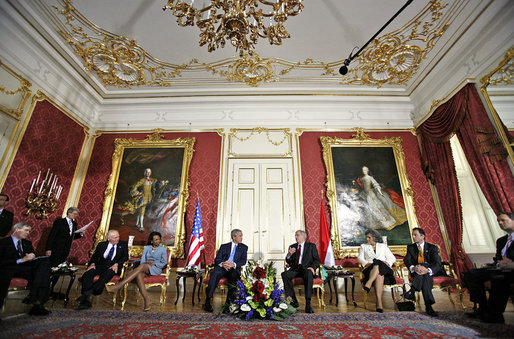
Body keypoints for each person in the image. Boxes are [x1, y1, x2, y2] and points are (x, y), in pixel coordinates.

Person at [464, 212, 514, 324]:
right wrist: (498, 263)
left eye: (503, 220)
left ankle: (494, 313)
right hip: (500, 269)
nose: (500, 223)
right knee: (471, 274)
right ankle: (483, 307)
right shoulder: (501, 241)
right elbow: (497, 258)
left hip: (512, 271)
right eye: (498, 221)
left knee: (498, 279)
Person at [105, 231, 167, 311]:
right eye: (155, 240)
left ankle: (118, 286)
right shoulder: (146, 248)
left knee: (141, 267)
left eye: (158, 239)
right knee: (139, 275)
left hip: (155, 268)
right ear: (151, 241)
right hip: (144, 266)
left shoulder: (163, 249)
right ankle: (147, 301)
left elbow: (164, 262)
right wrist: (147, 262)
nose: (157, 241)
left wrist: (154, 263)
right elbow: (142, 261)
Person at [0, 222, 52, 316]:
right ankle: (36, 301)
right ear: (17, 229)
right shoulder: (4, 242)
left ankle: (36, 302)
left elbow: (32, 255)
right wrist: (20, 260)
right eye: (26, 230)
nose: (28, 233)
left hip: (25, 269)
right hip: (9, 268)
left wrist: (33, 256)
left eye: (29, 231)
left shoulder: (27, 243)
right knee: (40, 273)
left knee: (44, 263)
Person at [77, 230, 128, 310]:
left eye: (118, 236)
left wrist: (117, 264)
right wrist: (92, 264)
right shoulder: (101, 245)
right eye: (115, 237)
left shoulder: (123, 245)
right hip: (99, 266)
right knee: (87, 274)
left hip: (112, 268)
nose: (117, 239)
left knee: (107, 274)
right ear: (108, 239)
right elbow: (94, 257)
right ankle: (86, 298)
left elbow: (125, 257)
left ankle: (86, 296)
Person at [203, 229, 248, 312]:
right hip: (222, 268)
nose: (242, 238)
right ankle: (208, 301)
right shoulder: (224, 246)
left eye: (242, 236)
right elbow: (217, 259)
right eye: (240, 236)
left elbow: (243, 261)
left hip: (233, 269)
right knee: (215, 273)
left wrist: (233, 264)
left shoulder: (244, 247)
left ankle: (228, 304)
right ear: (234, 237)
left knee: (234, 277)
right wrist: (223, 264)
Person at [402, 227, 442, 317]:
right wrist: (413, 268)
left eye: (415, 235)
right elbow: (407, 260)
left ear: (422, 236)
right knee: (423, 275)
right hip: (417, 271)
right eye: (413, 235)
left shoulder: (432, 248)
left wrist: (427, 270)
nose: (413, 237)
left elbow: (437, 262)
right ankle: (429, 307)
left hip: (429, 271)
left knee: (424, 272)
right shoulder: (411, 247)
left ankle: (412, 291)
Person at [353, 166, 407, 230]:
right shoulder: (359, 178)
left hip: (373, 191)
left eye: (365, 170)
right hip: (365, 193)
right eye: (363, 170)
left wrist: (378, 190)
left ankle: (386, 220)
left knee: (380, 200)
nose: (364, 171)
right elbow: (359, 186)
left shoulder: (370, 177)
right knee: (367, 203)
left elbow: (375, 184)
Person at [281, 230, 320, 313]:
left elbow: (317, 260)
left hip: (306, 269)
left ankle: (308, 304)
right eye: (295, 235)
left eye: (297, 235)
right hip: (295, 269)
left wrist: (313, 268)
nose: (296, 237)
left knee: (309, 273)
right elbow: (288, 261)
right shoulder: (292, 246)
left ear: (303, 237)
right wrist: (289, 254)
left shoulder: (311, 246)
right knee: (284, 274)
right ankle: (293, 301)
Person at [358, 229, 396, 313]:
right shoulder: (363, 246)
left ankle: (369, 282)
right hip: (370, 268)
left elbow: (392, 258)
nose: (367, 239)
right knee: (379, 273)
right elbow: (360, 258)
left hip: (384, 268)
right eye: (367, 237)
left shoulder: (383, 246)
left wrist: (387, 262)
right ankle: (379, 303)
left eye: (369, 237)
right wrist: (366, 263)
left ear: (374, 237)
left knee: (378, 262)